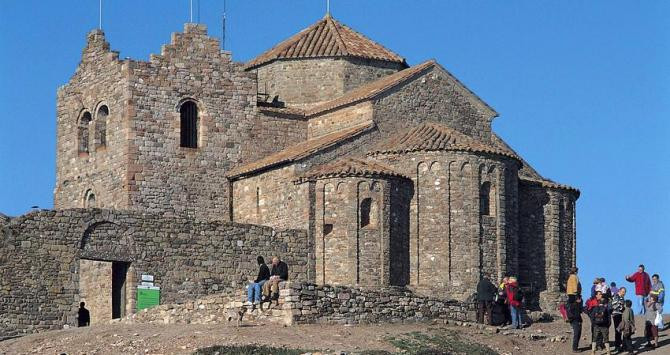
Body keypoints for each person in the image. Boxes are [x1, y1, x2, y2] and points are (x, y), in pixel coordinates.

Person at [587, 291, 611, 355]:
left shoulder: (595, 308)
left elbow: (592, 316)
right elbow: (609, 317)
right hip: (604, 325)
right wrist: (608, 324)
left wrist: (594, 323)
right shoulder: (606, 308)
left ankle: (593, 352)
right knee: (606, 339)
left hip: (596, 325)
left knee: (594, 338)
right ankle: (608, 352)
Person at [610, 287, 626, 352]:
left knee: (621, 330)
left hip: (621, 314)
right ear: (619, 291)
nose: (624, 293)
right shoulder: (615, 296)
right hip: (616, 314)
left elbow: (622, 306)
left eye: (624, 292)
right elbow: (614, 305)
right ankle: (617, 346)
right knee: (617, 330)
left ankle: (621, 345)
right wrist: (621, 307)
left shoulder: (622, 297)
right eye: (623, 291)